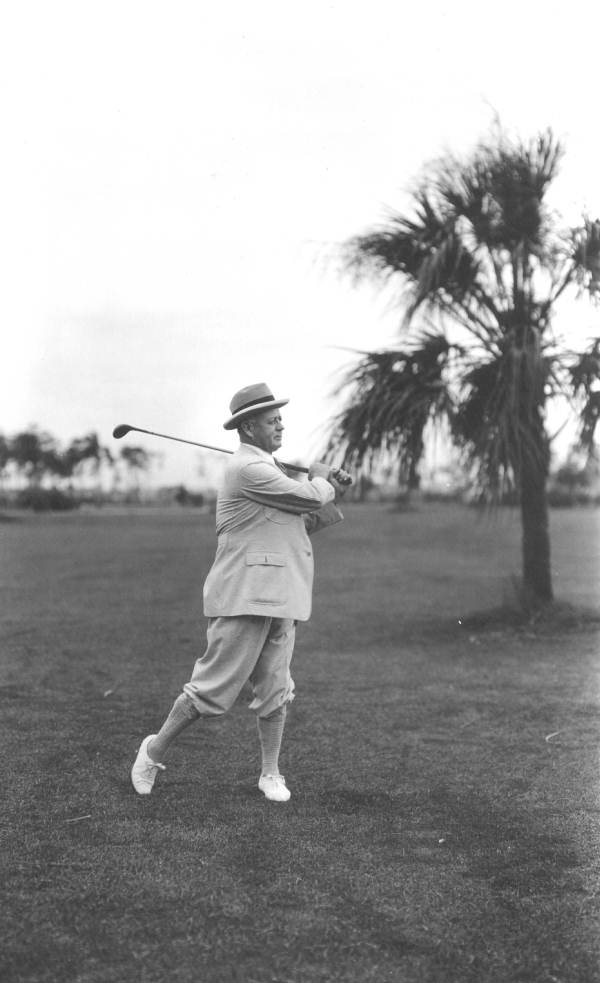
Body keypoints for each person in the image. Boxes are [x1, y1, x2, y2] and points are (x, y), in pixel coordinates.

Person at [131, 382, 350, 802]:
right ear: (249, 428)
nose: (281, 425)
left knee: (275, 688)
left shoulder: (271, 472)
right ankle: (153, 750)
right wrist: (321, 479)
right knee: (211, 690)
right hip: (243, 595)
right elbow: (308, 497)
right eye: (272, 420)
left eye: (281, 418)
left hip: (282, 593)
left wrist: (329, 490)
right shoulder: (247, 470)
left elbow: (301, 525)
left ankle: (271, 773)